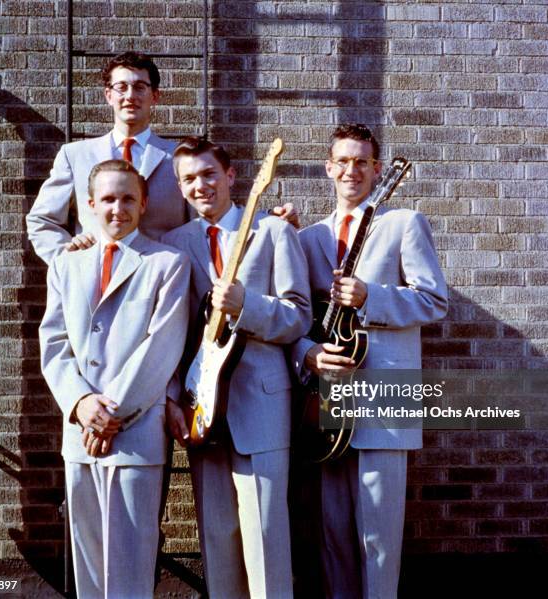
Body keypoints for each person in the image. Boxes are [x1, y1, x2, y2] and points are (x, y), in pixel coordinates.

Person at [292, 124, 448, 598]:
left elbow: (434, 301)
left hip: (383, 399)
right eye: (342, 161)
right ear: (328, 168)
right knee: (333, 533)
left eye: (362, 162)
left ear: (377, 169)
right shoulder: (308, 238)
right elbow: (298, 318)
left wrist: (370, 297)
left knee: (377, 537)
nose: (351, 170)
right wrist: (307, 355)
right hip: (329, 402)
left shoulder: (402, 223)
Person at [163, 137, 311, 598]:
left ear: (230, 176)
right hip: (202, 404)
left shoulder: (273, 232)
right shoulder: (173, 245)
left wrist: (247, 304)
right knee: (217, 535)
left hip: (260, 403)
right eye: (189, 179)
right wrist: (172, 397)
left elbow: (298, 315)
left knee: (266, 534)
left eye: (209, 174)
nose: (201, 185)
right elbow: (168, 334)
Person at [38, 159, 190, 598]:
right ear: (90, 205)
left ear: (144, 204)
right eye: (107, 198)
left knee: (130, 564)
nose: (118, 208)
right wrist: (82, 404)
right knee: (88, 566)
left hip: (136, 431)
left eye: (128, 198)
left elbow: (162, 346)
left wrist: (112, 413)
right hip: (80, 433)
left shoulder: (168, 263)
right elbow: (54, 343)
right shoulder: (67, 265)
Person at [26, 51, 298, 265]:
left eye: (140, 87)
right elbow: (42, 221)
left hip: (162, 281)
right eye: (121, 87)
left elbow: (210, 212)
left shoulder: (178, 158)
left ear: (154, 96)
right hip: (97, 278)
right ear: (108, 95)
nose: (130, 96)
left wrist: (263, 220)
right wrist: (68, 258)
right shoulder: (75, 155)